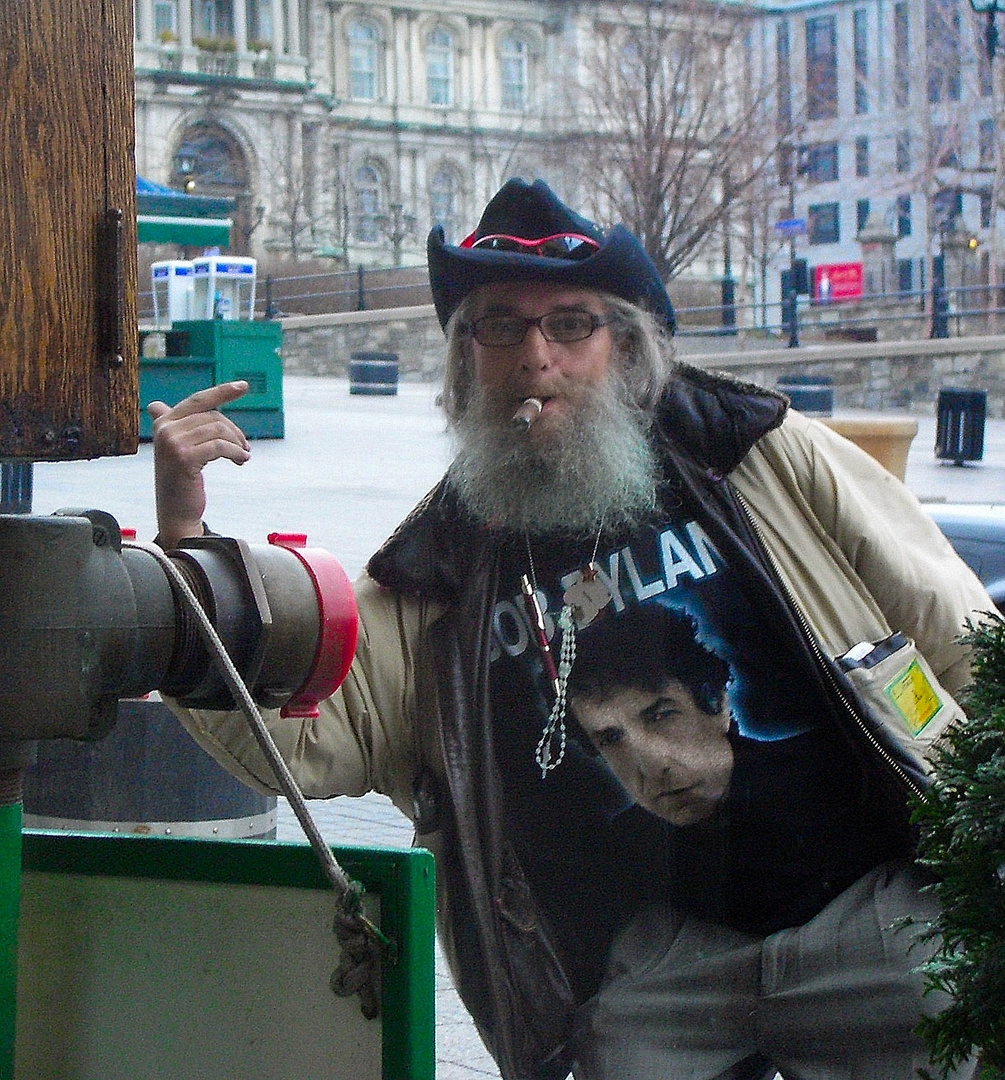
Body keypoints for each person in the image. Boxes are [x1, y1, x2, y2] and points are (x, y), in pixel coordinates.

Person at [150, 178, 991, 1080]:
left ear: (624, 348)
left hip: (872, 923)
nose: (535, 357)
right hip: (652, 980)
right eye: (501, 326)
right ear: (465, 361)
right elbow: (309, 741)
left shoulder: (762, 455)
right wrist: (185, 543)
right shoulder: (435, 574)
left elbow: (958, 633)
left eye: (571, 325)